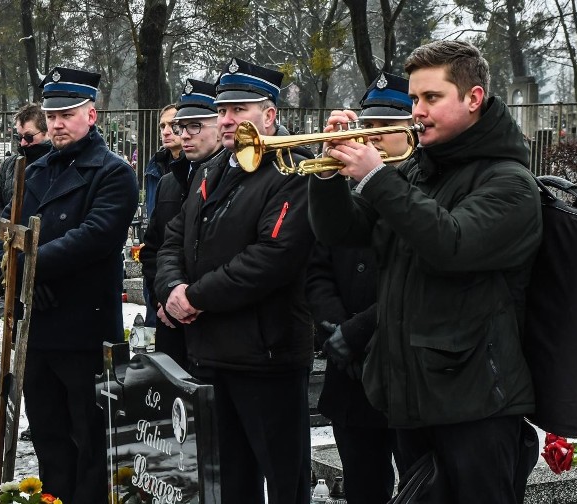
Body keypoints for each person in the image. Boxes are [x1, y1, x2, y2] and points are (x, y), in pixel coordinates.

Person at [310, 40, 542, 502]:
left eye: (431, 98)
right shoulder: (420, 171)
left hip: (476, 404)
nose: (417, 110)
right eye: (414, 99)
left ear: (473, 98)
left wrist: (377, 178)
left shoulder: (509, 182)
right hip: (414, 398)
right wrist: (329, 173)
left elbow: (451, 244)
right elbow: (343, 231)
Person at [154, 58, 314, 504]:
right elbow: (173, 240)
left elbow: (272, 257)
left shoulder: (291, 170)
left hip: (267, 356)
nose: (227, 120)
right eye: (222, 110)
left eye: (239, 110)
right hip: (210, 353)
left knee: (285, 483)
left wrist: (196, 297)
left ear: (270, 115)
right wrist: (171, 289)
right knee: (228, 485)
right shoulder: (211, 170)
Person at [0, 66, 138, 502]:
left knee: (90, 441)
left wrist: (29, 268)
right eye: (51, 115)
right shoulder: (33, 172)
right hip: (38, 329)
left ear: (91, 115)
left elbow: (93, 237)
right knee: (49, 438)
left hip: (83, 329)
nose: (56, 123)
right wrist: (16, 280)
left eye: (67, 114)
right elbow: (5, 232)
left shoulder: (113, 173)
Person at [306, 72, 413, 504]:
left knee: (420, 483)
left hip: (404, 365)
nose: (373, 136)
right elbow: (316, 268)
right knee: (363, 486)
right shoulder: (346, 186)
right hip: (349, 370)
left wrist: (360, 332)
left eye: (384, 127)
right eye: (366, 126)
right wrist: (336, 329)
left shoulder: (421, 187)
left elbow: (413, 278)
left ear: (412, 128)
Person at [140, 79, 224, 368]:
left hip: (216, 328)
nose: (184, 135)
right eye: (180, 127)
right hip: (171, 326)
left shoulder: (232, 180)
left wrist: (191, 300)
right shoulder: (168, 183)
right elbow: (153, 249)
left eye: (194, 126)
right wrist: (164, 299)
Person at [0, 103, 52, 299]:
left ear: (46, 132)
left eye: (29, 137)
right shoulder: (10, 164)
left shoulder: (54, 164)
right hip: (8, 248)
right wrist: (2, 245)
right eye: (19, 137)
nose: (23, 143)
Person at [140, 104, 182, 327]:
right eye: (162, 126)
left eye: (172, 125)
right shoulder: (155, 165)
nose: (166, 131)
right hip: (156, 269)